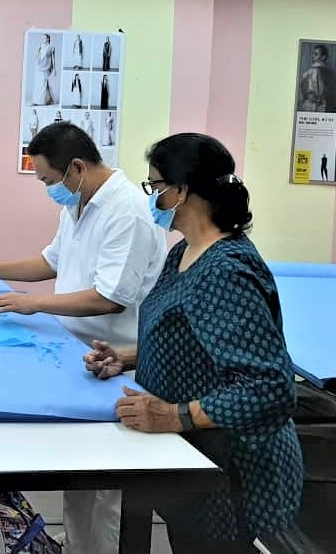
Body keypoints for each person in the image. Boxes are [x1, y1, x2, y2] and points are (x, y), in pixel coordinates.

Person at [85, 133, 303, 553]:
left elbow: (269, 389)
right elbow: (192, 338)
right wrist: (128, 358)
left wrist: (173, 415)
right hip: (192, 461)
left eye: (155, 186)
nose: (152, 197)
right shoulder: (185, 251)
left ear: (182, 191)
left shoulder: (224, 271)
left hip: (232, 472)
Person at [0, 121, 167, 554]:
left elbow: (110, 298)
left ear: (77, 167)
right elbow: (53, 261)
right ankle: (79, 546)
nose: (48, 189)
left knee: (108, 487)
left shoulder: (127, 212)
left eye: (48, 180)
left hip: (117, 359)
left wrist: (34, 303)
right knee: (80, 473)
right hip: (77, 354)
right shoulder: (78, 202)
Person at [299, 44, 336, 112]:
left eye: (316, 54)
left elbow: (322, 89)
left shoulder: (324, 72)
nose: (313, 56)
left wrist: (318, 97)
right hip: (309, 104)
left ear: (323, 57)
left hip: (320, 105)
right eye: (313, 54)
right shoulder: (310, 70)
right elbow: (303, 86)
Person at [32, 34, 56, 106]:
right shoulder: (41, 46)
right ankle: (38, 100)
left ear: (48, 39)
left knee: (43, 83)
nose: (43, 40)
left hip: (46, 67)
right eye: (43, 38)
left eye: (45, 38)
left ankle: (41, 101)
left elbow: (53, 58)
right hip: (39, 67)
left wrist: (54, 68)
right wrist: (38, 50)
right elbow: (37, 55)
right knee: (38, 84)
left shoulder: (51, 47)